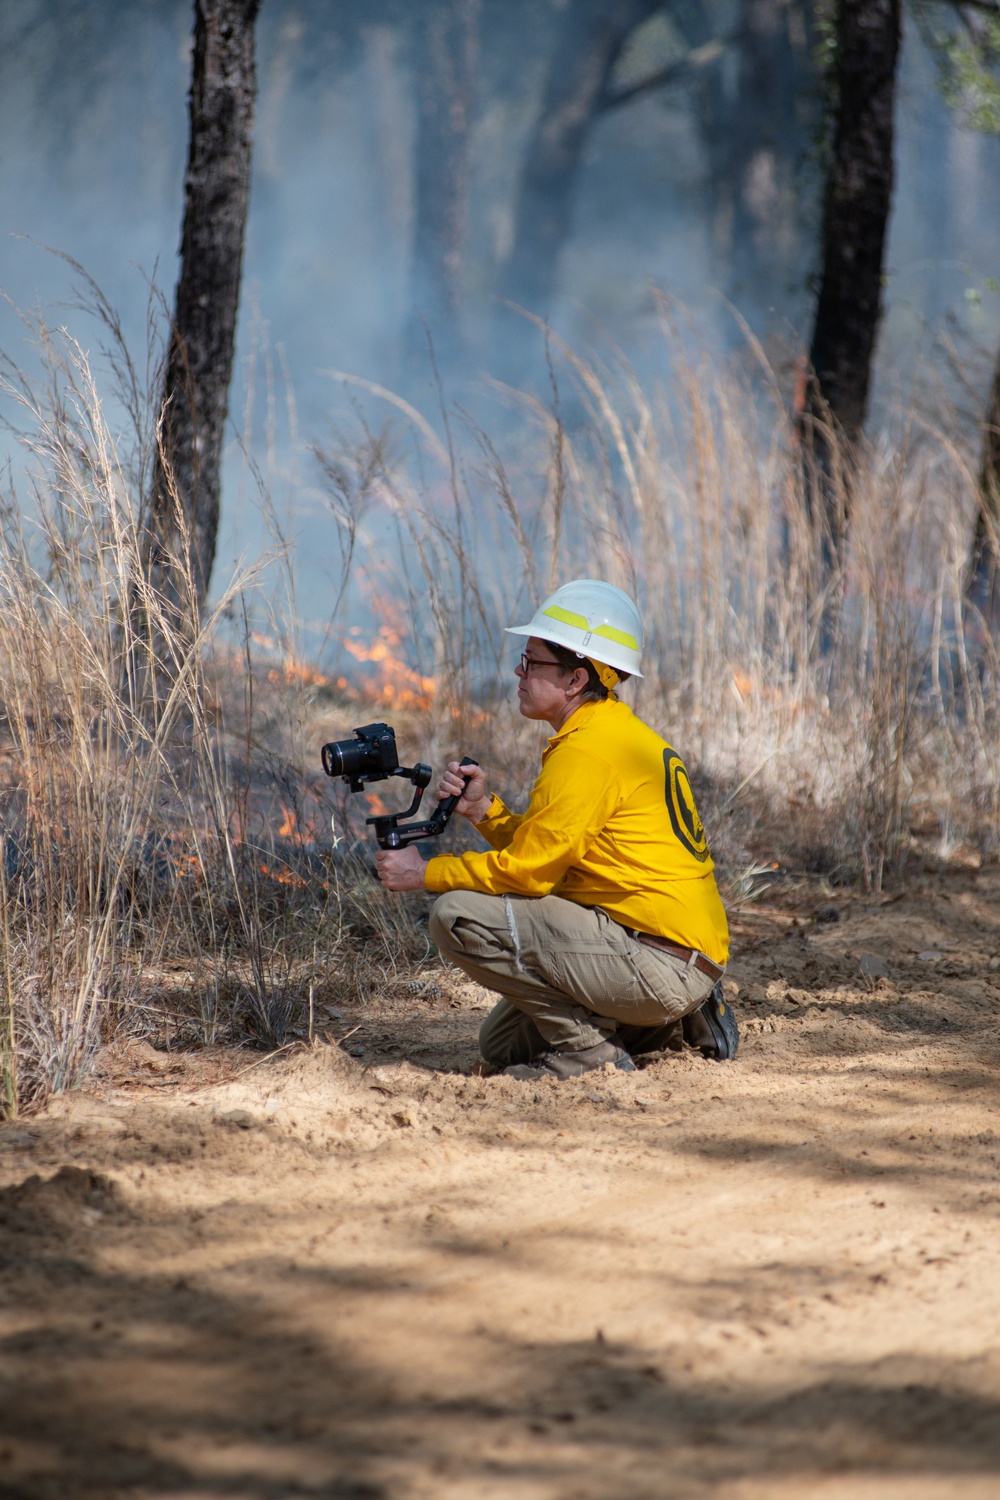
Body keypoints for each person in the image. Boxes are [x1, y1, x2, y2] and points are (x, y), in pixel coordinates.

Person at [375, 579, 737, 1079]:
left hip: (659, 959)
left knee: (456, 916)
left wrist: (426, 872)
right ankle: (673, 1023)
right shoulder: (610, 733)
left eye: (532, 662)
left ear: (574, 680)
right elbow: (552, 852)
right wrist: (485, 813)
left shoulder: (587, 754)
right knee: (501, 1046)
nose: (518, 672)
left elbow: (530, 876)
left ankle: (592, 1053)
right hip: (670, 949)